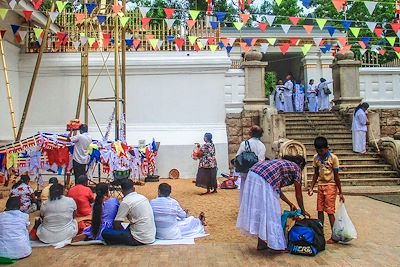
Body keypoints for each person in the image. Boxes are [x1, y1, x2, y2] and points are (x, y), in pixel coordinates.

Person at [237, 156, 310, 252]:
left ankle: (261, 243)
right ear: (301, 165)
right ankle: (276, 245)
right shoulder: (296, 168)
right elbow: (299, 194)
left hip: (253, 173)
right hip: (263, 178)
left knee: (262, 210)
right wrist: (303, 211)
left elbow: (277, 189)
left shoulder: (282, 164)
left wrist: (289, 203)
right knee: (272, 212)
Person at [308, 137, 344, 244]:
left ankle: (334, 235)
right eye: (318, 151)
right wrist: (311, 187)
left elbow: (337, 176)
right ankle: (320, 233)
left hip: (331, 185)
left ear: (327, 148)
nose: (321, 153)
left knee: (329, 211)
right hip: (321, 184)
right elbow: (315, 173)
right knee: (319, 209)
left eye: (322, 151)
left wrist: (340, 192)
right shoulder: (316, 158)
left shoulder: (333, 158)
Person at [102, 179, 156, 246]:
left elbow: (116, 224)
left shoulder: (125, 202)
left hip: (138, 239)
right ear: (134, 189)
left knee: (105, 232)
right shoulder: (143, 198)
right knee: (129, 225)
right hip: (151, 236)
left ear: (122, 191)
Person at [235, 125, 266, 203]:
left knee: (244, 191)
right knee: (255, 192)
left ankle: (244, 208)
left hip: (245, 171)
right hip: (256, 172)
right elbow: (261, 160)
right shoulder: (262, 145)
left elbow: (238, 157)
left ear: (250, 133)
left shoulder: (244, 144)